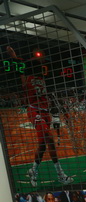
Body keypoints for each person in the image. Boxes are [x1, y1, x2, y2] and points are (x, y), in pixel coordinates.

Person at [6, 46, 73, 187]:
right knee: (50, 139)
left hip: (45, 112)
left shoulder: (43, 79)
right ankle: (61, 175)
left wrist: (56, 113)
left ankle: (33, 170)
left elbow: (51, 95)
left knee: (42, 145)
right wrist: (13, 56)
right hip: (34, 111)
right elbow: (20, 68)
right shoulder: (26, 79)